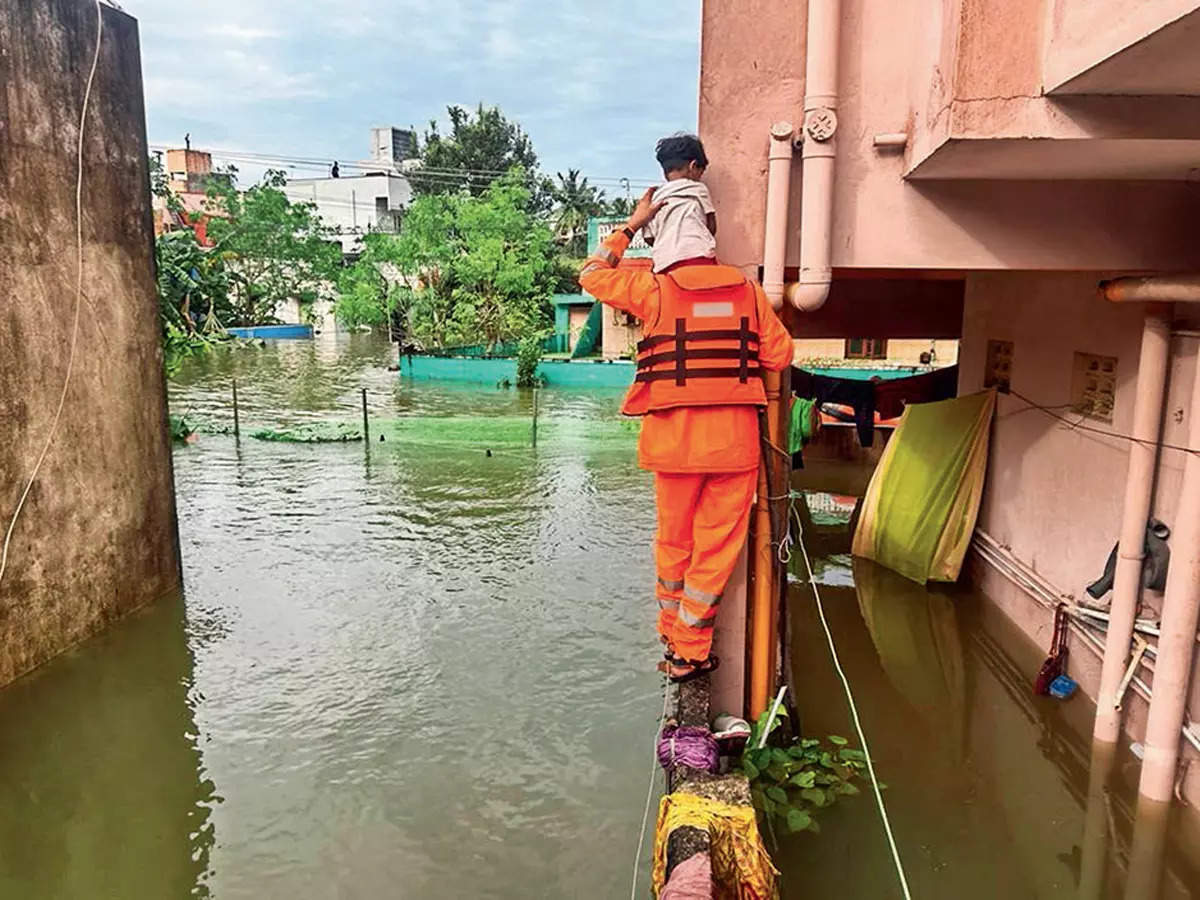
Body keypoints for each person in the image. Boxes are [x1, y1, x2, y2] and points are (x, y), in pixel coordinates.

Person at [579, 141, 793, 683]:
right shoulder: (745, 290)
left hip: (672, 447)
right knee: (716, 550)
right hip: (735, 447)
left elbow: (591, 276)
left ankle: (673, 643)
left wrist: (629, 225)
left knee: (674, 546)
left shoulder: (651, 287)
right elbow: (780, 355)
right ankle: (691, 652)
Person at [642, 134, 717, 273]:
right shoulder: (699, 189)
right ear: (693, 166)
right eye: (701, 173)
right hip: (699, 258)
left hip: (665, 265)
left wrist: (666, 244)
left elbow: (648, 237)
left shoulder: (655, 198)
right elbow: (712, 225)